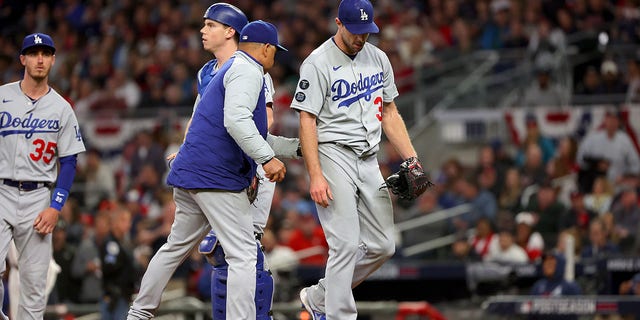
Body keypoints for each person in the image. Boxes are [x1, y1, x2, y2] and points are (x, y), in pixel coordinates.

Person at [126, 20, 288, 320]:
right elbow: (239, 123)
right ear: (265, 48)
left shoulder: (221, 70)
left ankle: (138, 313)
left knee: (174, 247)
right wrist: (267, 158)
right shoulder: (249, 70)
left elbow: (230, 125)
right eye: (274, 51)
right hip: (215, 175)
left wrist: (297, 148)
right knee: (243, 254)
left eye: (210, 24)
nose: (275, 57)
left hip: (191, 172)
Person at [290, 0, 426, 318]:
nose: (360, 37)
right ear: (338, 23)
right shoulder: (317, 62)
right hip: (332, 153)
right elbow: (307, 120)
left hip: (368, 158)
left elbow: (389, 112)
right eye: (355, 30)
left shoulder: (378, 58)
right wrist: (315, 175)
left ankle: (320, 297)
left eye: (366, 31)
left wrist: (413, 160)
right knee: (346, 244)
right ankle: (339, 315)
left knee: (383, 245)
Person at [163, 4, 299, 319]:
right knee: (236, 255)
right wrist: (189, 147)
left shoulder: (240, 71)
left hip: (239, 162)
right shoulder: (231, 70)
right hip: (237, 164)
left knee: (238, 253)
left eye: (210, 25)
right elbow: (232, 121)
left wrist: (261, 158)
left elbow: (254, 123)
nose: (203, 31)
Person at [0, 32, 86, 319]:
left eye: (46, 54)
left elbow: (69, 162)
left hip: (38, 196)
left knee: (35, 286)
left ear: (52, 60)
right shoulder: (1, 97)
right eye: (34, 53)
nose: (40, 59)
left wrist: (55, 206)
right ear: (22, 58)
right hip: (1, 191)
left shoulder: (62, 108)